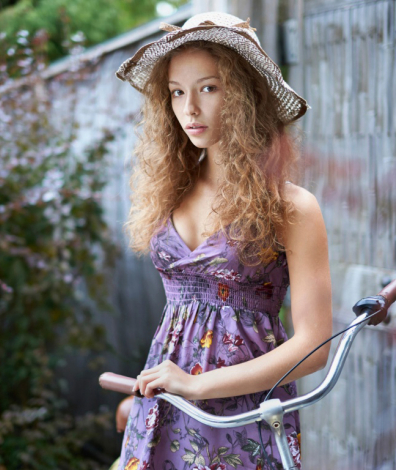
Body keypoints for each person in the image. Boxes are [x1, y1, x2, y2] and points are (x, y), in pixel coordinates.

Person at [112, 11, 332, 470]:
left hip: (244, 417)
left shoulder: (291, 206)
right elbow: (183, 322)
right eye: (177, 92)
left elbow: (315, 344)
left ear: (245, 95)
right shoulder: (169, 193)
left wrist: (197, 384)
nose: (189, 109)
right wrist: (153, 391)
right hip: (163, 407)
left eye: (208, 88)